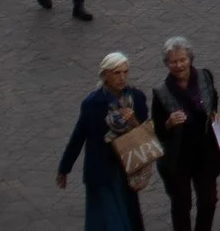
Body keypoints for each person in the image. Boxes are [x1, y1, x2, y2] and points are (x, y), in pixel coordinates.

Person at [55, 51, 151, 231]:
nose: (122, 77)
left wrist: (133, 121)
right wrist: (64, 168)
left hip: (126, 169)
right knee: (109, 221)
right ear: (105, 75)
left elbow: (146, 131)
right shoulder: (93, 103)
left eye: (125, 72)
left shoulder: (136, 98)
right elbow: (79, 135)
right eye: (116, 73)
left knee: (127, 217)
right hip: (101, 172)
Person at [152, 37, 220, 231]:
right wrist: (168, 123)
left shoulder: (204, 76)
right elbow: (158, 130)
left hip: (204, 152)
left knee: (209, 201)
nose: (178, 65)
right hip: (178, 157)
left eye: (182, 59)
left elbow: (213, 97)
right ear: (167, 64)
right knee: (181, 204)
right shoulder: (161, 92)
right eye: (173, 61)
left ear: (190, 59)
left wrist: (214, 113)